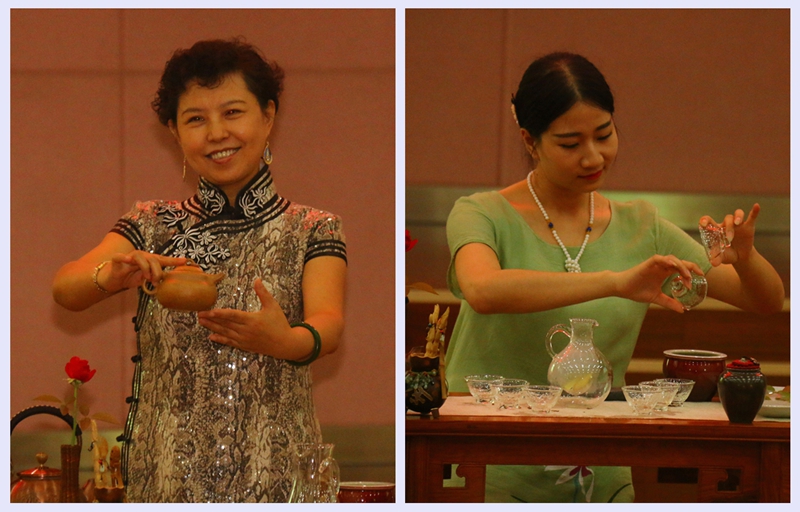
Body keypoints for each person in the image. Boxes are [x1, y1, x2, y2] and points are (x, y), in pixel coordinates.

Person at [444, 52, 784, 503]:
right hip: (484, 464)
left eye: (604, 135)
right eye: (570, 144)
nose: (593, 156)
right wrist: (615, 282)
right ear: (530, 140)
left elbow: (763, 300)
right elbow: (483, 289)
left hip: (598, 467)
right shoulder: (481, 212)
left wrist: (745, 257)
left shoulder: (641, 226)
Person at [52, 38, 347, 503]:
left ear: (268, 116)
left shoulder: (312, 227)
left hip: (276, 479)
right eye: (195, 119)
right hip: (165, 477)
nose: (216, 133)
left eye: (233, 113)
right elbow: (66, 287)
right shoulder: (152, 222)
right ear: (174, 131)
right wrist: (111, 274)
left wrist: (286, 342)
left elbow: (328, 325)